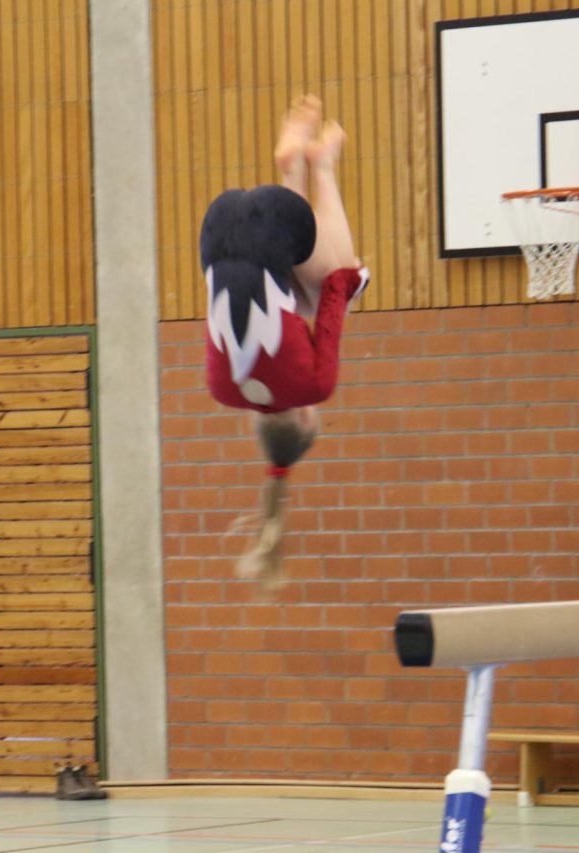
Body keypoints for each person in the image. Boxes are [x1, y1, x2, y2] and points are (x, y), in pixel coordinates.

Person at [202, 95, 368, 587]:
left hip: (274, 220)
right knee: (293, 298)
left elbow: (336, 289)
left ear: (306, 419)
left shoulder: (314, 387)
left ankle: (320, 164)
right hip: (216, 229)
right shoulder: (222, 389)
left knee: (337, 279)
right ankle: (292, 165)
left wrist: (358, 280)